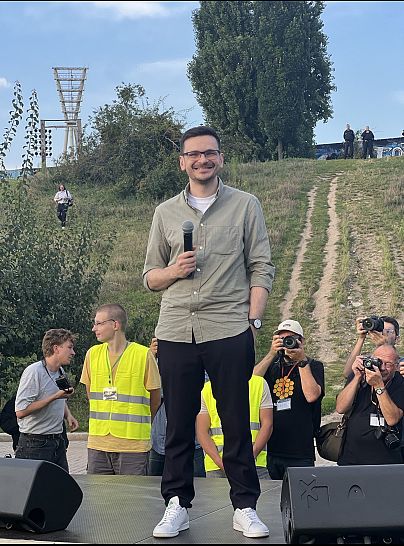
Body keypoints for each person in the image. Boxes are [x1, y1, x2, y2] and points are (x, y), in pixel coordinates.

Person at [143, 125, 274, 539]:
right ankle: (177, 504)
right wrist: (172, 271)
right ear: (182, 162)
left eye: (210, 153)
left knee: (236, 421)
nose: (203, 160)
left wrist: (253, 322)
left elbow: (261, 267)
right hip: (177, 330)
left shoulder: (246, 206)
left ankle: (244, 507)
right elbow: (149, 277)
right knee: (179, 424)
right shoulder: (164, 212)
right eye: (194, 154)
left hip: (229, 328)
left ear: (220, 158)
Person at [80, 303, 161, 475]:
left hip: (133, 446)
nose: (94, 328)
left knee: (131, 500)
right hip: (98, 443)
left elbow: (155, 399)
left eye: (99, 323)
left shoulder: (143, 354)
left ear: (115, 325)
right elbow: (91, 394)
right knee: (99, 499)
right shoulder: (92, 354)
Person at [253, 319, 324, 480]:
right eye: (282, 338)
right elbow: (251, 383)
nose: (287, 342)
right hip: (271, 447)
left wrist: (301, 361)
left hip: (299, 450)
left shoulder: (314, 365)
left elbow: (312, 396)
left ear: (302, 340)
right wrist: (271, 353)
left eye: (290, 338)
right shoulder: (273, 366)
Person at [14, 328, 79, 472]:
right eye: (69, 347)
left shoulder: (60, 371)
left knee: (61, 491)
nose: (73, 352)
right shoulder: (34, 372)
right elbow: (20, 411)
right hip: (34, 445)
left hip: (57, 442)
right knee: (35, 493)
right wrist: (55, 397)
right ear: (56, 348)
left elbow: (60, 396)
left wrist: (68, 415)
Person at [336, 344, 404, 466]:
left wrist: (378, 385)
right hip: (351, 459)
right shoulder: (359, 377)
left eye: (388, 364)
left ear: (397, 366)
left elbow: (392, 419)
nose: (382, 368)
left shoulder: (400, 383)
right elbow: (340, 408)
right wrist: (357, 377)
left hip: (387, 462)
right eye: (378, 362)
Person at [147, 338, 205, 477]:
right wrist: (151, 358)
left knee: (199, 488)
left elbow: (204, 392)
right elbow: (153, 392)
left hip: (193, 440)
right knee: (151, 489)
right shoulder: (156, 365)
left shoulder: (201, 365)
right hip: (160, 441)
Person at [196, 374, 273, 479]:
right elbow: (201, 432)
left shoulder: (259, 383)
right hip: (222, 467)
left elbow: (267, 425)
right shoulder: (206, 389)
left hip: (251, 465)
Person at [0, 392, 74, 453]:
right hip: (29, 447)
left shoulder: (53, 396)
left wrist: (68, 416)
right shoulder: (17, 401)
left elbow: (61, 404)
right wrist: (24, 422)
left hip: (58, 446)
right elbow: (6, 424)